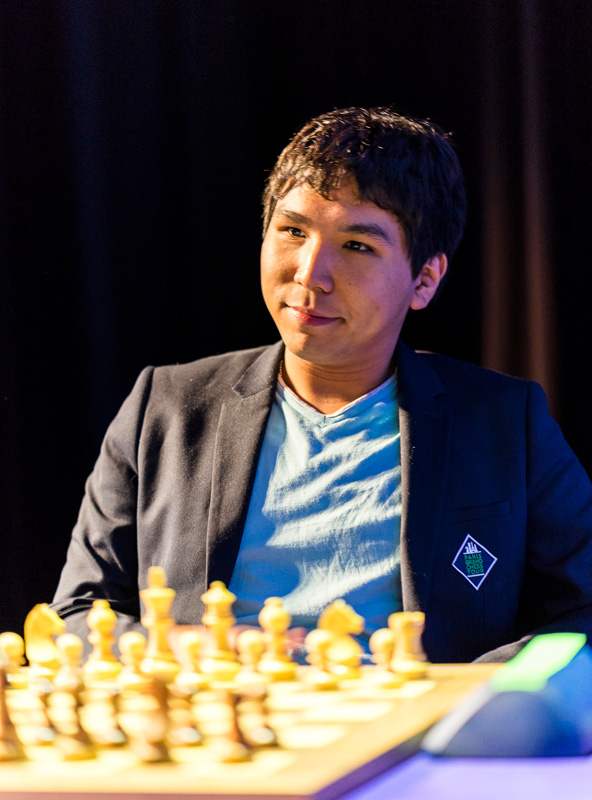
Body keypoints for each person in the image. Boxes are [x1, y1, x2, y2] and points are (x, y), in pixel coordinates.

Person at [52, 106, 592, 663]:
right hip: (217, 728)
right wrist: (203, 646)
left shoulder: (503, 422)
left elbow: (584, 610)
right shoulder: (165, 407)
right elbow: (77, 615)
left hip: (410, 737)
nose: (310, 273)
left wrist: (466, 699)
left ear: (424, 280)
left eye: (357, 246)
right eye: (291, 231)